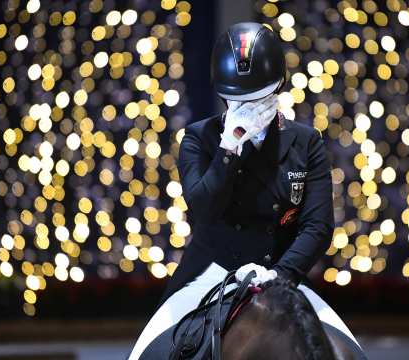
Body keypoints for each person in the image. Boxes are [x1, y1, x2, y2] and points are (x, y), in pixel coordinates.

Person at [127, 22, 363, 359]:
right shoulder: (199, 138)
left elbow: (318, 225)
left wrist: (281, 274)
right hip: (211, 270)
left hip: (281, 272)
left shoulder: (306, 142)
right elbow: (203, 211)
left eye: (260, 97)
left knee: (351, 350)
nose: (250, 108)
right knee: (144, 352)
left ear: (278, 87)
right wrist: (228, 149)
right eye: (238, 100)